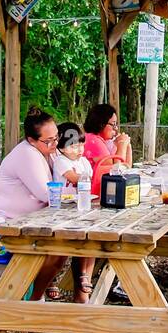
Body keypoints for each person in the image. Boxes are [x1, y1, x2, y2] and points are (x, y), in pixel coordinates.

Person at [0, 110, 69, 299]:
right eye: (49, 141)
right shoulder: (27, 154)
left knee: (60, 251)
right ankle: (29, 299)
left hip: (29, 224)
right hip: (3, 224)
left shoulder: (49, 152)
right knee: (52, 252)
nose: (55, 144)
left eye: (57, 138)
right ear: (31, 140)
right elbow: (46, 193)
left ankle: (34, 298)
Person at [55, 121, 96, 303]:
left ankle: (85, 275)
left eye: (80, 144)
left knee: (94, 237)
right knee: (72, 243)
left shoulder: (83, 161)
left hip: (82, 207)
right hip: (63, 209)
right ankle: (58, 279)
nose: (78, 149)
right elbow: (75, 178)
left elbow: (90, 178)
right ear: (61, 148)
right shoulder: (60, 161)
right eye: (72, 146)